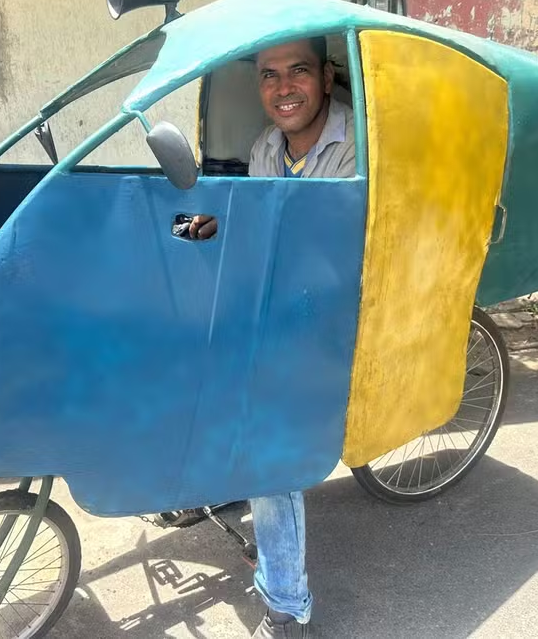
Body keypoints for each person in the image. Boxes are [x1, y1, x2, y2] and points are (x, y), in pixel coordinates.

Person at [188, 36, 356, 639]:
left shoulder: (354, 148)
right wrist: (194, 227)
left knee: (269, 433)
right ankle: (216, 479)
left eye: (298, 72)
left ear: (327, 80)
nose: (283, 88)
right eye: (269, 76)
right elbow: (256, 229)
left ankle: (288, 602)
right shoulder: (267, 148)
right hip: (284, 301)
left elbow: (327, 251)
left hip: (336, 310)